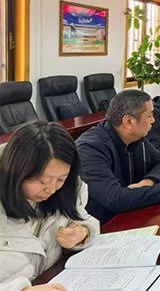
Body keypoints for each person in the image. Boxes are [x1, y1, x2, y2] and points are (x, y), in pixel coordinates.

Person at [0, 122, 100, 291]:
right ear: (16, 171)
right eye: (42, 181)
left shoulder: (67, 190)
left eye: (61, 179)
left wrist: (83, 232)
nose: (52, 189)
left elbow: (81, 217)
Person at [75, 90, 160, 224]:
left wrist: (149, 181)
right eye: (149, 116)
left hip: (133, 213)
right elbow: (116, 199)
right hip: (103, 226)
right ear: (129, 121)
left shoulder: (135, 137)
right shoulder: (89, 149)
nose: (153, 120)